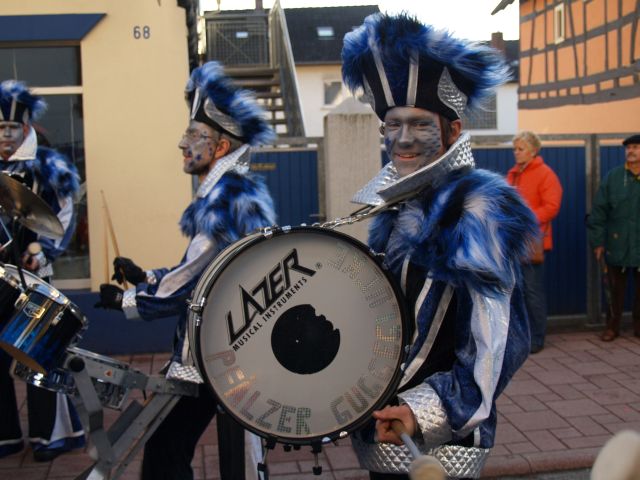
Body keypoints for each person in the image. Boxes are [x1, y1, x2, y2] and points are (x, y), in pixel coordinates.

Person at [341, 13, 538, 479]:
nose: (403, 138)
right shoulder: (397, 209)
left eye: (419, 124)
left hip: (439, 444)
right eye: (392, 124)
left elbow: (499, 344)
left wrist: (425, 410)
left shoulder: (477, 208)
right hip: (384, 427)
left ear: (453, 129)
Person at [94, 61, 276, 480]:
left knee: (166, 449)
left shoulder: (224, 198)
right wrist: (145, 277)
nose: (182, 142)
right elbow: (198, 267)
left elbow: (192, 278)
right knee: (192, 447)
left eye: (194, 135)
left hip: (214, 351)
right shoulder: (230, 191)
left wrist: (127, 299)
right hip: (228, 345)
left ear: (221, 147)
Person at [0, 80, 84, 461]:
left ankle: (51, 436)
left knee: (38, 356)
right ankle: (5, 435)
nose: (5, 135)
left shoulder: (49, 165)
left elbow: (63, 215)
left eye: (11, 128)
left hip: (34, 275)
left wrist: (42, 253)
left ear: (25, 127)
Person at [507, 131, 563, 353]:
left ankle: (537, 338)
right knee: (515, 292)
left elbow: (552, 207)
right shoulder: (513, 174)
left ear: (533, 151)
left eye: (520, 149)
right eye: (515, 149)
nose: (516, 153)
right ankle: (522, 336)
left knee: (532, 292)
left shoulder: (545, 174)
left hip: (532, 242)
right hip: (513, 242)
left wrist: (525, 219)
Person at [587, 134, 640, 342]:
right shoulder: (614, 177)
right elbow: (598, 212)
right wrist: (598, 242)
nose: (631, 151)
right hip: (616, 243)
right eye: (628, 148)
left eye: (636, 147)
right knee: (613, 289)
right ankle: (612, 327)